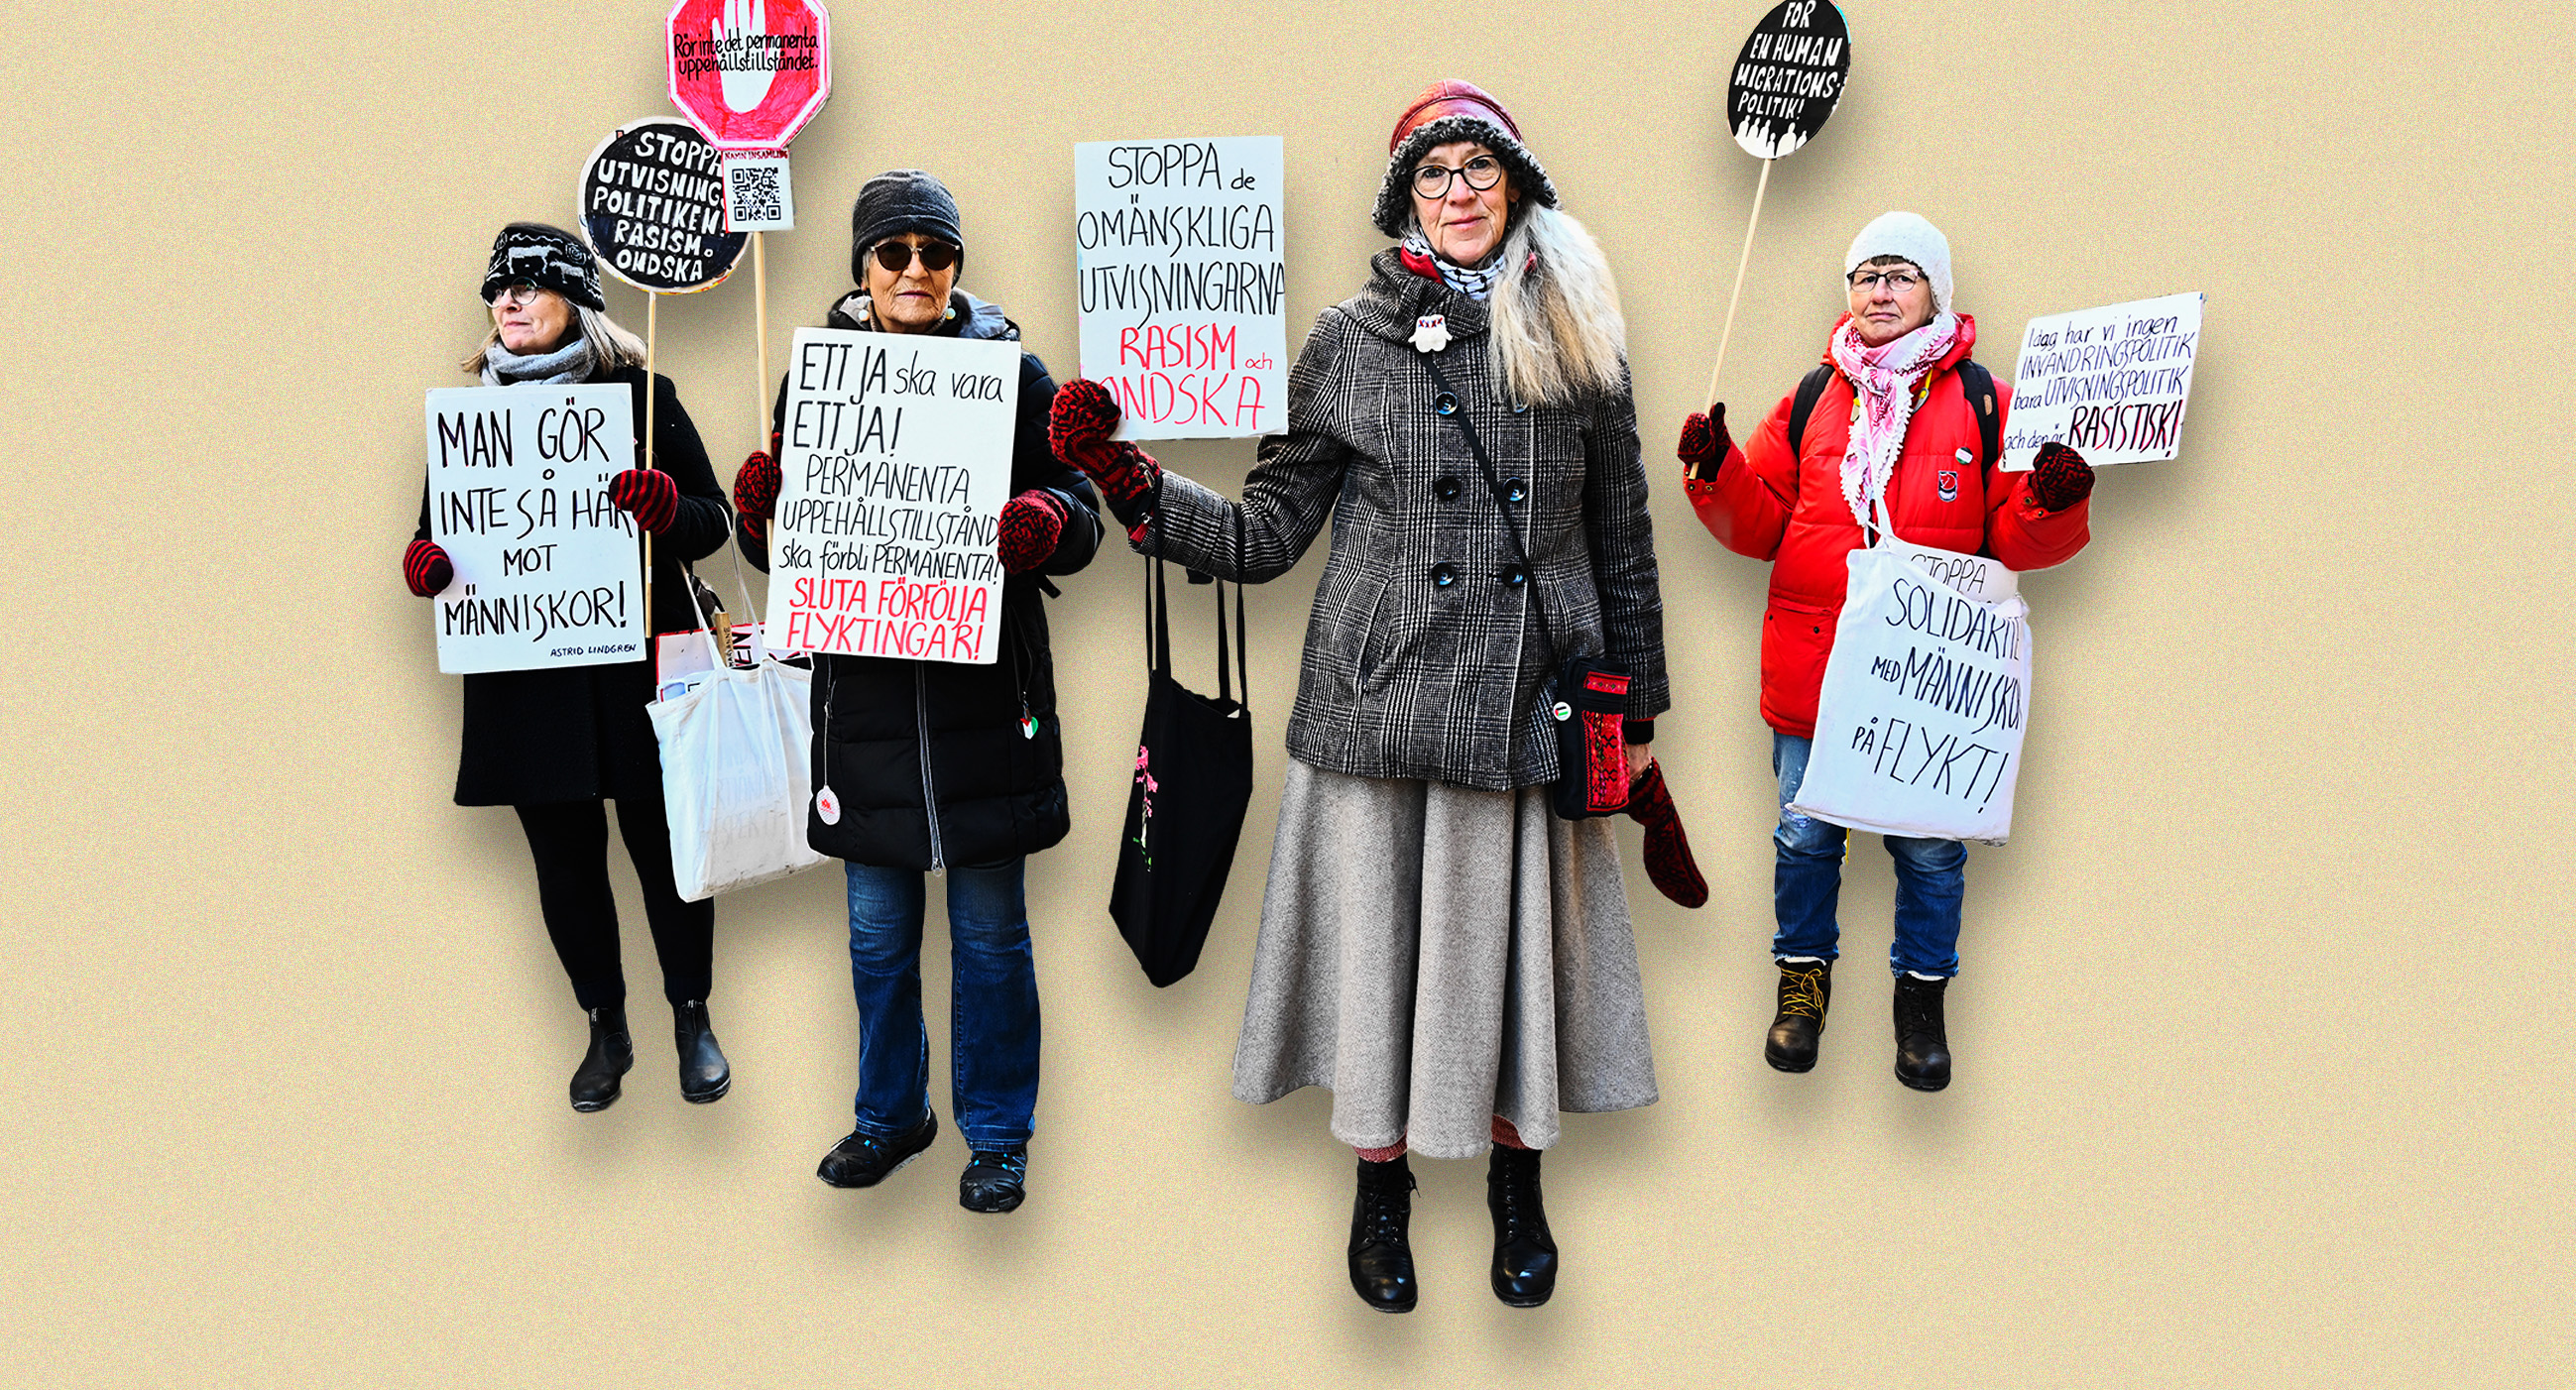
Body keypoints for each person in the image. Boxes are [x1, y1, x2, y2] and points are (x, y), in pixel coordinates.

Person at [1047, 80, 1697, 1314]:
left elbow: (1622, 534)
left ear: (1518, 187)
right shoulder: (1349, 338)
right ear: (1407, 198)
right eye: (1433, 173)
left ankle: (1517, 1184)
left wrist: (1640, 711)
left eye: (1478, 169)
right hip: (1376, 702)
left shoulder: (1582, 330)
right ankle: (1379, 1191)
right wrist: (1130, 479)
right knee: (1378, 966)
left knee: (1509, 964)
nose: (1457, 192)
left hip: (1526, 704)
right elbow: (1267, 530)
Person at [727, 172, 1101, 1216]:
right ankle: (891, 1117)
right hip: (867, 715)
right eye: (894, 252)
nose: (915, 270)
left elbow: (1082, 508)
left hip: (987, 707)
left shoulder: (1015, 374)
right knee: (877, 939)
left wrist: (1046, 521)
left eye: (935, 252)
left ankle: (999, 1136)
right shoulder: (817, 383)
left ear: (956, 266)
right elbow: (791, 553)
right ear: (862, 267)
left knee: (991, 939)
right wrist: (759, 515)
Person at [1675, 211, 2095, 1092]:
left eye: (1901, 275)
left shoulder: (1989, 402)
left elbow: (2016, 541)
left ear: (1936, 292)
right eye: (1866, 276)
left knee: (1931, 853)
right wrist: (1717, 473)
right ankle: (1802, 986)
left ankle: (1921, 998)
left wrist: (2052, 501)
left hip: (1925, 683)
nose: (1880, 291)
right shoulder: (1811, 398)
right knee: (1803, 837)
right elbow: (1758, 526)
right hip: (1815, 669)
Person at [402, 223, 738, 1112]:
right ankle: (604, 1025)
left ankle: (692, 1015)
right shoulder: (468, 420)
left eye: (529, 285)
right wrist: (427, 566)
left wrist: (669, 510)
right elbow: (437, 538)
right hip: (526, 678)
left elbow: (716, 521)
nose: (507, 301)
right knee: (563, 863)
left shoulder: (644, 398)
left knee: (665, 848)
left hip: (636, 671)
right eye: (497, 288)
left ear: (577, 302)